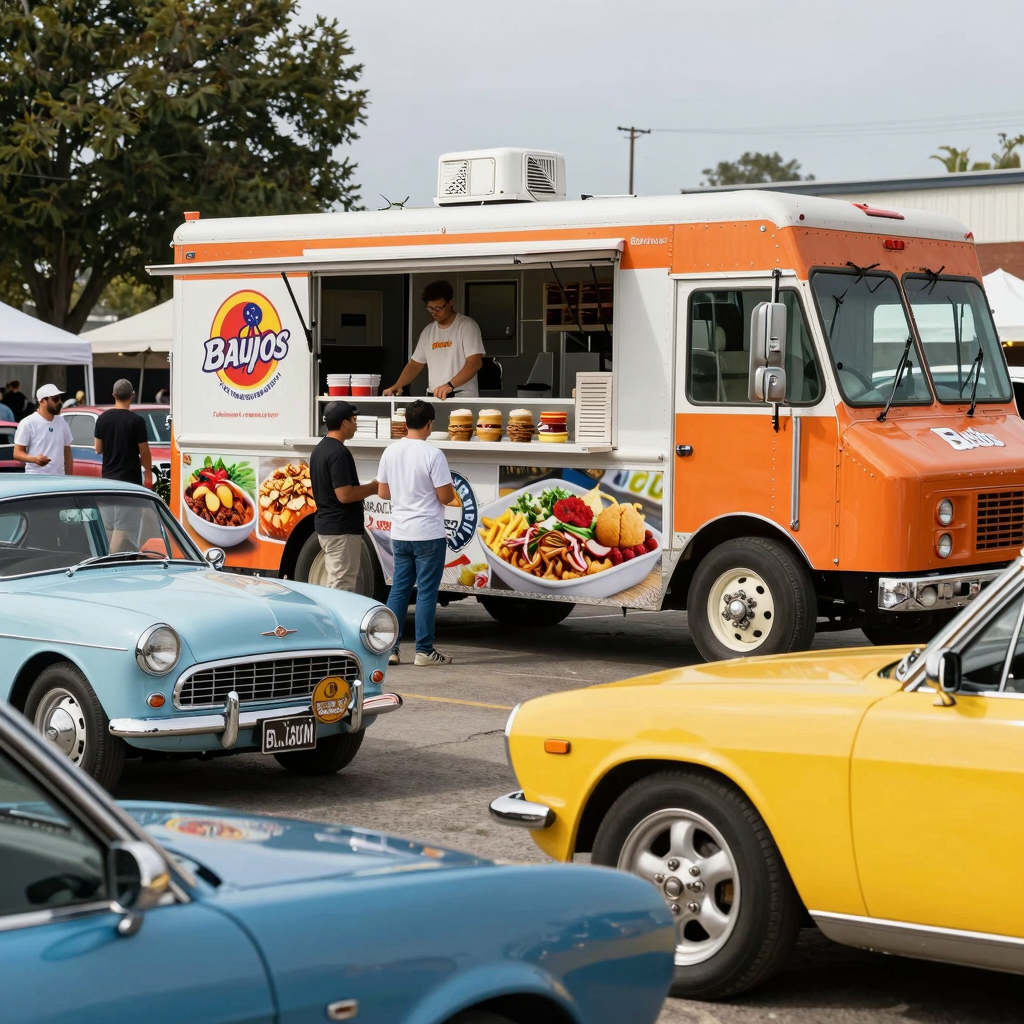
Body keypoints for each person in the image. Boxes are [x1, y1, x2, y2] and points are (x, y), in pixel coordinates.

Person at [377, 400, 455, 666]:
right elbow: (446, 496)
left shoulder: (390, 451)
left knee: (398, 590)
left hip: (400, 532)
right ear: (430, 423)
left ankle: (391, 649)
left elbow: (383, 493)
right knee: (426, 592)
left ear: (406, 422)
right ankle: (423, 650)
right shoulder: (433, 454)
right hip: (428, 533)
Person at [309, 401, 378, 591]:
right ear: (344, 423)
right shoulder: (338, 453)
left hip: (328, 526)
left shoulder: (319, 449)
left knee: (338, 581)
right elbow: (345, 495)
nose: (356, 425)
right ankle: (334, 622)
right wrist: (373, 487)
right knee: (342, 587)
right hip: (341, 530)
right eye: (354, 420)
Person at [383, 280, 485, 400]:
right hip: (434, 397)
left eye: (438, 308)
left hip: (461, 396)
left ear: (450, 303)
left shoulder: (467, 326)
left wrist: (450, 385)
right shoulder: (428, 331)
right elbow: (415, 365)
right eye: (430, 308)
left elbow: (475, 363)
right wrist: (397, 385)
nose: (434, 313)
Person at [94, 379, 152, 488]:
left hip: (109, 477)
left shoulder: (102, 419)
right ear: (132, 395)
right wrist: (148, 473)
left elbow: (98, 449)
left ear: (114, 395)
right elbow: (144, 452)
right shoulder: (137, 421)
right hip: (131, 479)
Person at [13, 384, 73, 475]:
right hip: (36, 479)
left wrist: (69, 480)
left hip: (59, 480)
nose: (59, 402)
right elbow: (17, 453)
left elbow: (67, 454)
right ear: (42, 401)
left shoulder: (62, 422)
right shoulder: (28, 423)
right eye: (55, 399)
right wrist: (34, 459)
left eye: (59, 398)